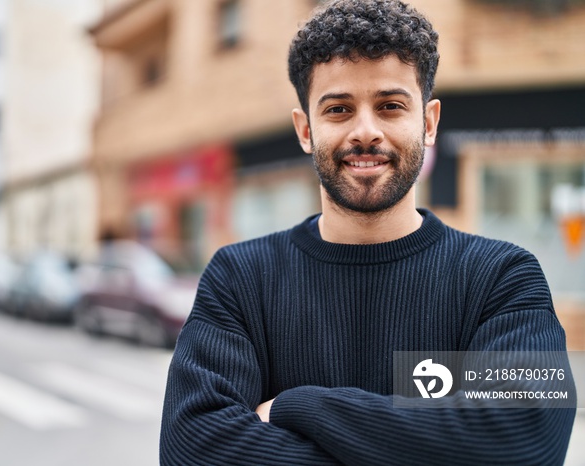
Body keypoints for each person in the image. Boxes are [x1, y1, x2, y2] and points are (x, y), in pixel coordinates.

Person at [159, 0, 576, 464]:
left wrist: (299, 406)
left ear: (429, 122)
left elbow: (521, 438)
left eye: (390, 106)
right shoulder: (241, 278)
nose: (365, 131)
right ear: (305, 130)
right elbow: (191, 446)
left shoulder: (502, 278)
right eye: (338, 109)